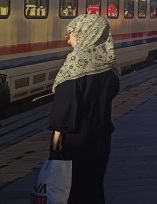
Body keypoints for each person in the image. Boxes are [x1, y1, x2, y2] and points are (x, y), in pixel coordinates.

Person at [49, 14, 121, 204]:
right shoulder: (110, 65)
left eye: (71, 33)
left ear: (85, 33)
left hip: (76, 137)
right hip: (101, 134)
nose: (68, 39)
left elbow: (66, 102)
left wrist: (57, 133)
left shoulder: (76, 63)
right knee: (94, 183)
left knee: (74, 187)